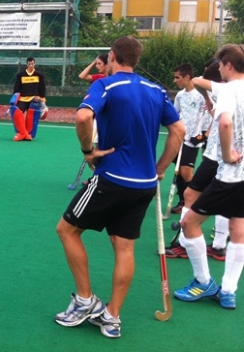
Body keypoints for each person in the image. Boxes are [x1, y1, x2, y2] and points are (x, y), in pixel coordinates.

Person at [54, 36, 184, 339]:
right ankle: (112, 318)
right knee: (124, 247)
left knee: (67, 230)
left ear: (112, 56)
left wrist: (88, 151)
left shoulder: (105, 85)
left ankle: (85, 301)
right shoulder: (157, 90)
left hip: (112, 178)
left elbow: (83, 116)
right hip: (144, 185)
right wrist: (160, 168)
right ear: (136, 59)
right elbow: (179, 130)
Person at [174, 44, 244, 310]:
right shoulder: (225, 88)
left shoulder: (228, 89)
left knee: (189, 224)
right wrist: (207, 97)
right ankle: (228, 291)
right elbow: (201, 82)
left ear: (227, 66)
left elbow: (224, 123)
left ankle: (204, 282)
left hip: (230, 175)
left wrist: (227, 154)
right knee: (239, 230)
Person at [169, 63, 206, 215]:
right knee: (178, 170)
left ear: (187, 77)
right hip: (179, 138)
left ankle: (196, 199)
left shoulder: (201, 95)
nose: (174, 81)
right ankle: (183, 201)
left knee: (186, 172)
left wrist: (203, 135)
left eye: (177, 77)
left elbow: (210, 115)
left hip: (193, 139)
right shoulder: (180, 95)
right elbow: (175, 113)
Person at [11, 56, 46, 141]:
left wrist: (43, 100)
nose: (31, 65)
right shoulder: (20, 75)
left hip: (34, 100)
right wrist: (15, 99)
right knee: (17, 112)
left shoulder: (39, 75)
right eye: (29, 64)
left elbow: (42, 88)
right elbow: (16, 88)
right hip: (23, 99)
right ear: (27, 64)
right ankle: (24, 133)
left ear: (35, 64)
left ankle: (28, 133)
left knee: (31, 116)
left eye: (32, 64)